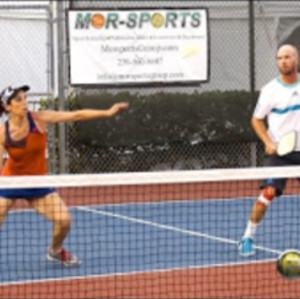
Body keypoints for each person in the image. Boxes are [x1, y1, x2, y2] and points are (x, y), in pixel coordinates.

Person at [0, 85, 128, 266]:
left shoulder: (39, 119)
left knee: (64, 220)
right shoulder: (3, 133)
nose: (25, 103)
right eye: (18, 100)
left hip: (38, 182)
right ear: (7, 106)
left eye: (25, 98)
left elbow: (75, 115)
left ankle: (55, 251)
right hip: (12, 181)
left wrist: (107, 112)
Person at [238, 44, 300, 256]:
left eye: (288, 57)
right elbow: (256, 120)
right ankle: (247, 237)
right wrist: (267, 142)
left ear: (296, 59)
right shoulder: (270, 90)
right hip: (279, 153)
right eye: (280, 58)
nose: (283, 61)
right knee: (268, 193)